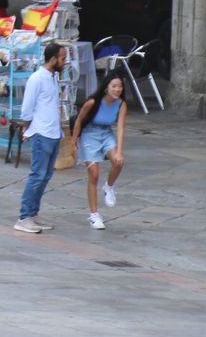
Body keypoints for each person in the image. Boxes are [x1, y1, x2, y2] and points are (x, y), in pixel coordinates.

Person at [15, 41, 68, 233]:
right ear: (53, 59)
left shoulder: (53, 77)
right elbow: (27, 109)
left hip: (53, 132)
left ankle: (33, 213)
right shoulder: (37, 78)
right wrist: (28, 130)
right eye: (63, 58)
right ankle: (24, 216)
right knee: (37, 175)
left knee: (45, 176)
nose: (65, 62)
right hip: (41, 133)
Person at [71, 72, 129, 229]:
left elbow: (121, 127)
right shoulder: (93, 102)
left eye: (120, 87)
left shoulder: (121, 103)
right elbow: (79, 121)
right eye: (114, 86)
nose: (117, 90)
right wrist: (73, 142)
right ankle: (94, 215)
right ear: (106, 88)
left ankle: (109, 187)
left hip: (106, 133)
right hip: (89, 135)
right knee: (94, 174)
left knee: (118, 161)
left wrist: (119, 150)